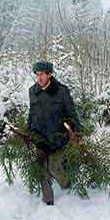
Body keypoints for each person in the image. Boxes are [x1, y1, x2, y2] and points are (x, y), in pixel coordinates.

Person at [27, 61, 83, 205]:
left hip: (58, 137)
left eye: (42, 75)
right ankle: (48, 201)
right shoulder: (33, 91)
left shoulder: (61, 91)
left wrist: (78, 133)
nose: (39, 78)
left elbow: (71, 113)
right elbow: (31, 113)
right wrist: (28, 131)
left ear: (50, 74)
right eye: (37, 75)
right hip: (40, 137)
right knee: (41, 169)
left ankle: (66, 184)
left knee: (53, 167)